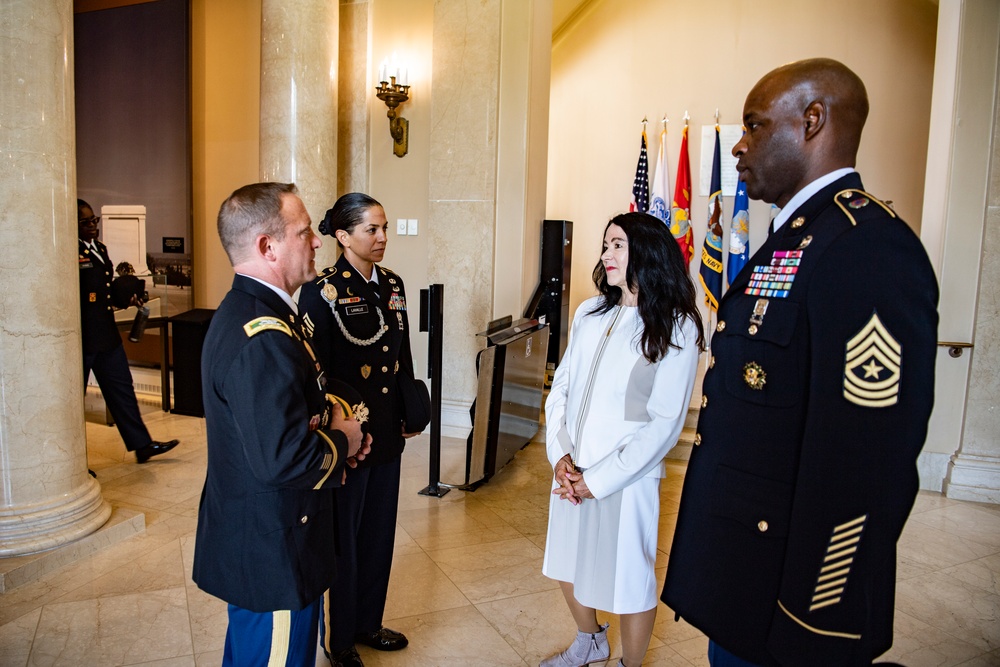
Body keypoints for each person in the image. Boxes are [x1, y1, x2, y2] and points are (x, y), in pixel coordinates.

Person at [661, 58, 939, 666]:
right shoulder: (797, 239)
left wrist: (812, 621)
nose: (738, 145)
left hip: (789, 612)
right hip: (744, 583)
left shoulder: (866, 245)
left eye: (755, 126)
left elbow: (866, 465)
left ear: (813, 121)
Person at [192, 182, 370, 666]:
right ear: (268, 247)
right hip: (275, 549)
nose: (317, 241)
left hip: (274, 538)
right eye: (305, 232)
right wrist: (345, 437)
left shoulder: (266, 314)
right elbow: (284, 458)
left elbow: (292, 401)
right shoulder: (262, 335)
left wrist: (332, 411)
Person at [540, 212, 704, 667]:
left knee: (631, 580)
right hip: (571, 470)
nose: (606, 254)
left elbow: (665, 422)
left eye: (617, 245)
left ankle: (631, 664)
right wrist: (562, 456)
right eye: (605, 244)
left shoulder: (678, 326)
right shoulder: (590, 313)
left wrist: (600, 478)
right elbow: (563, 389)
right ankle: (589, 639)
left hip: (626, 477)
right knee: (566, 562)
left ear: (646, 252)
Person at [299, 193, 419, 667]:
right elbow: (317, 373)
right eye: (372, 229)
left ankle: (370, 622)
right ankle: (342, 638)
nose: (383, 237)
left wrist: (410, 409)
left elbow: (401, 355)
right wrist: (337, 430)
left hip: (387, 433)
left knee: (378, 535)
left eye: (384, 227)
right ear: (344, 236)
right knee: (345, 541)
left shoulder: (393, 284)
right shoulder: (322, 290)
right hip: (350, 438)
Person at [78, 199, 179, 464]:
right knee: (74, 401)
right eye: (85, 222)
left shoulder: (98, 249)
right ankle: (73, 464)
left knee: (122, 390)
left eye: (94, 221)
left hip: (106, 335)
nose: (92, 226)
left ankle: (142, 445)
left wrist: (126, 300)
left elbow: (104, 292)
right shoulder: (69, 252)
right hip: (81, 340)